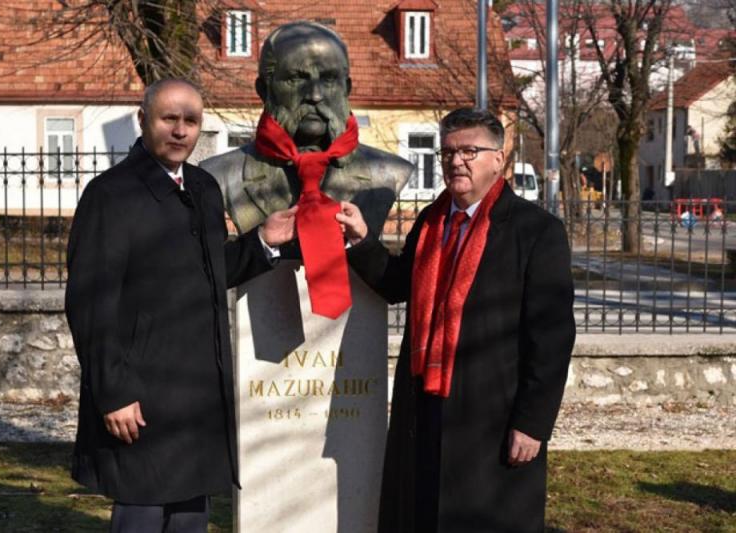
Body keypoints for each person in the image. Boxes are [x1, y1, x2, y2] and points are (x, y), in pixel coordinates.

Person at [64, 78, 296, 532]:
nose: (180, 130)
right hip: (140, 393)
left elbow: (209, 272)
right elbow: (90, 302)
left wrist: (263, 241)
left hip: (197, 392)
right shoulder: (110, 194)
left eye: (190, 120)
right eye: (169, 118)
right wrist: (114, 393)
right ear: (143, 120)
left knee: (191, 516)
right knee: (142, 510)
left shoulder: (203, 188)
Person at [337, 107, 575, 532]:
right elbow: (397, 284)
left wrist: (532, 422)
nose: (455, 161)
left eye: (469, 151)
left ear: (498, 159)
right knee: (422, 516)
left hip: (492, 414)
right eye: (447, 152)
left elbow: (552, 338)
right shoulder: (432, 221)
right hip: (424, 406)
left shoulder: (536, 230)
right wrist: (361, 240)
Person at [200, 21, 412, 240]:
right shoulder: (218, 174)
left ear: (347, 89)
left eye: (329, 79)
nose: (315, 95)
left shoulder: (389, 172)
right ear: (264, 89)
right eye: (296, 79)